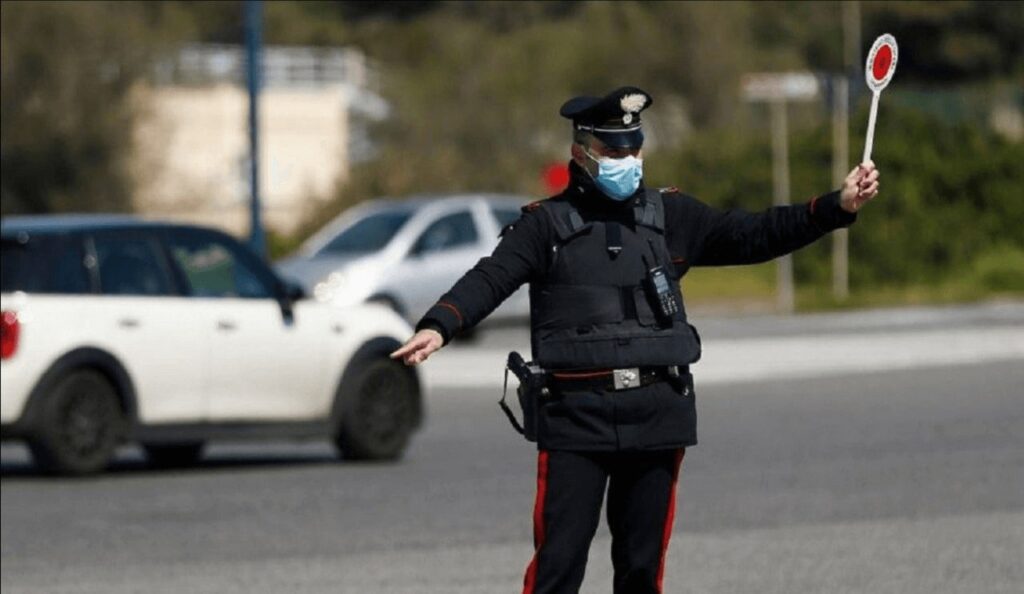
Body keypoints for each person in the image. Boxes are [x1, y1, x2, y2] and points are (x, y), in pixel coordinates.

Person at [390, 86, 880, 594]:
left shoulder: (671, 216)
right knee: (558, 566)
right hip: (577, 419)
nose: (628, 159)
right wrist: (439, 323)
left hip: (657, 413)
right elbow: (490, 277)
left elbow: (754, 233)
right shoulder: (544, 224)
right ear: (581, 152)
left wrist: (836, 206)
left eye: (635, 148)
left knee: (642, 569)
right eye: (614, 150)